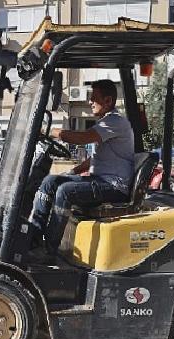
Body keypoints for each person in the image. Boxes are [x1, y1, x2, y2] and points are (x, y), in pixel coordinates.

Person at [29, 79, 135, 256]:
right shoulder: (105, 123)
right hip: (100, 181)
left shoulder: (115, 122)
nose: (90, 102)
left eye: (94, 98)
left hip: (114, 186)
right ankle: (34, 237)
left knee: (64, 191)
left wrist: (46, 131)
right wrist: (72, 172)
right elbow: (95, 159)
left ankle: (49, 249)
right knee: (50, 181)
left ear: (108, 101)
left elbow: (81, 138)